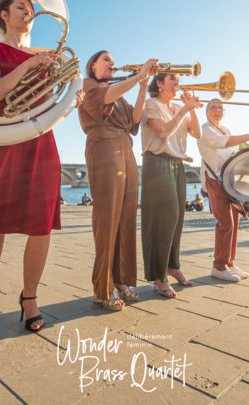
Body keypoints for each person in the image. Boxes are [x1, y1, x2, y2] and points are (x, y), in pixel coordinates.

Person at [0, 0, 84, 332]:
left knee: (41, 224)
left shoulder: (48, 54)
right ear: (3, 15)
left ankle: (29, 297)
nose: (29, 13)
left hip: (39, 138)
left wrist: (71, 100)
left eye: (31, 9)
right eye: (21, 8)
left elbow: (52, 97)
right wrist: (29, 65)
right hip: (4, 136)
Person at [78, 51, 157, 311]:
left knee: (125, 217)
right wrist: (138, 75)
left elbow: (134, 120)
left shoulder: (117, 90)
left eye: (113, 60)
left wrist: (143, 86)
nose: (112, 63)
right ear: (93, 65)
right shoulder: (90, 85)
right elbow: (104, 98)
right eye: (106, 60)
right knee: (107, 218)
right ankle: (103, 287)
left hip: (125, 148)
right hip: (103, 146)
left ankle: (123, 280)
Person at [141, 72, 202, 298]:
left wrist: (191, 108)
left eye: (178, 80)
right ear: (159, 83)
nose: (178, 83)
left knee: (177, 219)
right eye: (173, 80)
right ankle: (158, 276)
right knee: (163, 219)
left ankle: (173, 265)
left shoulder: (178, 107)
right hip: (157, 162)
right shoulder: (151, 104)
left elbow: (197, 133)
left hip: (177, 164)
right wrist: (185, 109)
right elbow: (163, 133)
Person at [197, 99, 249, 282]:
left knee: (234, 221)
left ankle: (229, 262)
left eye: (220, 107)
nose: (217, 110)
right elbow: (225, 143)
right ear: (206, 112)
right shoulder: (205, 129)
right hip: (214, 179)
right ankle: (218, 266)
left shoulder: (226, 128)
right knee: (225, 222)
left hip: (229, 180)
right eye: (213, 107)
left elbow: (232, 153)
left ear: (224, 111)